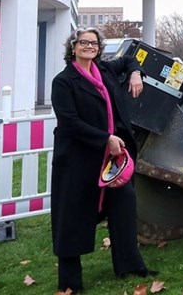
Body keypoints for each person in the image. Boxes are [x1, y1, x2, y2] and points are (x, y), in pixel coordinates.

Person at [50, 28, 154, 293]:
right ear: (73, 47)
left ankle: (129, 264)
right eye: (83, 42)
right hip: (77, 159)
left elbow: (131, 58)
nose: (89, 46)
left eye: (93, 43)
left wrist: (135, 73)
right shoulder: (64, 81)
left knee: (124, 206)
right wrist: (105, 138)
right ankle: (71, 282)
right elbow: (69, 122)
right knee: (72, 216)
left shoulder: (106, 70)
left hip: (111, 159)